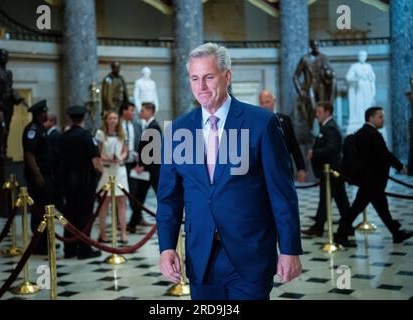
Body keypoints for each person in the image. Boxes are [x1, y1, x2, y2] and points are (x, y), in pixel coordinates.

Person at [157, 43, 302, 300]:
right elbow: (169, 199)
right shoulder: (178, 131)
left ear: (227, 76)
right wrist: (166, 246)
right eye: (194, 78)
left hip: (250, 256)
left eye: (208, 77)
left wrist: (289, 249)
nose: (200, 86)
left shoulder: (262, 123)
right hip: (201, 258)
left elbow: (282, 193)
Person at [335, 107, 413, 245]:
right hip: (371, 180)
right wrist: (400, 166)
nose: (383, 119)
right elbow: (384, 154)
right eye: (380, 117)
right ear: (371, 118)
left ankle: (396, 233)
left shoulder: (364, 132)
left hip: (370, 180)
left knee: (381, 207)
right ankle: (340, 234)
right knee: (357, 209)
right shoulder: (371, 134)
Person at [302, 102, 351, 240]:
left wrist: (314, 152)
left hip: (331, 171)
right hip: (331, 171)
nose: (317, 115)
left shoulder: (330, 128)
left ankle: (318, 227)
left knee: (325, 199)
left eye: (319, 112)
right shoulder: (327, 127)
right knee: (341, 200)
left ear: (328, 113)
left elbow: (332, 148)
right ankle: (348, 225)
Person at [60, 106, 103, 259]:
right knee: (85, 215)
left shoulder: (63, 136)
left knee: (70, 214)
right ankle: (84, 249)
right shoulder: (86, 135)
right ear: (83, 118)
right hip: (84, 181)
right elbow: (96, 159)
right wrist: (98, 175)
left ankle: (69, 249)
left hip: (68, 181)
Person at [95, 110, 130, 244]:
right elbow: (98, 154)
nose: (113, 120)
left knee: (122, 203)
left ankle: (123, 233)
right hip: (107, 170)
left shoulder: (122, 133)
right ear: (106, 120)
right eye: (111, 118)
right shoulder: (101, 134)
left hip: (120, 170)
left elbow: (126, 151)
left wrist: (120, 157)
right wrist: (109, 158)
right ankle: (103, 233)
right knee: (104, 203)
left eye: (115, 118)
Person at [22, 100, 51, 255]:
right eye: (45, 112)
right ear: (40, 114)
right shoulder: (32, 130)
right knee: (38, 210)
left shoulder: (40, 128)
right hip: (37, 176)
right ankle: (39, 244)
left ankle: (45, 241)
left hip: (45, 175)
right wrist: (37, 174)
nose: (47, 114)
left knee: (44, 208)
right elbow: (29, 153)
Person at [127, 102, 161, 234]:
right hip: (147, 171)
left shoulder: (154, 127)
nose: (140, 113)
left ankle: (169, 220)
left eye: (143, 110)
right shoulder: (148, 126)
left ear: (150, 111)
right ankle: (132, 223)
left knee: (161, 197)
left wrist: (143, 166)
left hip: (152, 171)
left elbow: (154, 152)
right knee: (139, 198)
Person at [259, 89, 307, 182]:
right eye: (262, 103)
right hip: (264, 171)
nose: (264, 105)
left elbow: (294, 146)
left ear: (274, 101)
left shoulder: (285, 120)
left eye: (267, 102)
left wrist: (301, 168)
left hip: (284, 169)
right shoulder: (256, 122)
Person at [120, 102, 152, 230]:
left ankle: (138, 218)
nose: (134, 113)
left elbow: (141, 144)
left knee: (134, 192)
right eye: (131, 110)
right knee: (119, 193)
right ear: (124, 111)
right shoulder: (117, 125)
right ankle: (120, 220)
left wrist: (141, 162)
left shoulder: (137, 126)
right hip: (121, 163)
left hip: (134, 163)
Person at [293, 40, 335, 131]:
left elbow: (331, 72)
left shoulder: (323, 58)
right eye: (314, 45)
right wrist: (300, 91)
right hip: (310, 88)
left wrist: (329, 73)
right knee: (311, 111)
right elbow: (295, 76)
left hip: (321, 88)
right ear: (311, 46)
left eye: (317, 45)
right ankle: (309, 132)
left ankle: (323, 131)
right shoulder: (305, 59)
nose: (315, 47)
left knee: (322, 111)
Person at [346, 50, 376, 135]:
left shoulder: (369, 66)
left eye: (364, 56)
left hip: (367, 88)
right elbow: (348, 78)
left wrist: (373, 92)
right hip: (358, 88)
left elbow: (372, 79)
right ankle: (359, 119)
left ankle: (367, 120)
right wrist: (356, 78)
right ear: (358, 57)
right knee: (359, 105)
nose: (363, 57)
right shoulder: (354, 66)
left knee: (367, 104)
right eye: (361, 56)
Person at [43, 113, 64, 212]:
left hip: (56, 172)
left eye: (45, 121)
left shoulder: (55, 135)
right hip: (53, 173)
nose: (44, 123)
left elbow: (55, 155)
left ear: (52, 122)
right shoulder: (49, 134)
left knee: (58, 199)